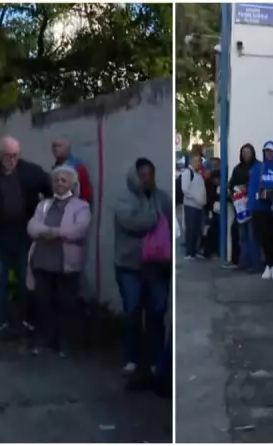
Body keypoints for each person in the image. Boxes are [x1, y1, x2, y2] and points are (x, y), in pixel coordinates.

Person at [0, 136, 52, 333]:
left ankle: (27, 318)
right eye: (8, 155)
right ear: (0, 155)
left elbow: (50, 189)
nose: (12, 159)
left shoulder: (30, 171)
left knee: (26, 280)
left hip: (23, 235)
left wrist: (44, 215)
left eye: (15, 155)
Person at [114, 158, 172, 386]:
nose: (147, 178)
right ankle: (133, 359)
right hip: (130, 266)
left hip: (157, 266)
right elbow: (133, 223)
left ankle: (156, 360)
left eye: (150, 174)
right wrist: (156, 217)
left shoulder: (162, 197)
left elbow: (169, 226)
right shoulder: (124, 199)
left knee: (157, 312)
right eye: (143, 174)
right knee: (133, 311)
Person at [26, 164, 89, 353]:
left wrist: (56, 233)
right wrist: (47, 232)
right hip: (43, 260)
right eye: (56, 180)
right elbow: (32, 226)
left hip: (66, 263)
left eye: (64, 180)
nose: (59, 184)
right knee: (43, 301)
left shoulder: (81, 206)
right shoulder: (44, 204)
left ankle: (65, 342)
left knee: (66, 303)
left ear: (72, 184)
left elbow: (79, 229)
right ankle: (45, 340)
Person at [247, 140, 273, 280]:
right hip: (260, 208)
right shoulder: (257, 169)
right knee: (262, 238)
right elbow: (252, 188)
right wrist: (250, 206)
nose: (269, 154)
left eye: (271, 152)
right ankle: (268, 265)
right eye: (266, 152)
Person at [228, 143, 261, 273]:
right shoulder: (237, 168)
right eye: (244, 152)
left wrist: (248, 188)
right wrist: (235, 190)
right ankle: (244, 262)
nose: (246, 154)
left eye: (248, 152)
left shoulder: (258, 166)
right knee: (242, 236)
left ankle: (255, 264)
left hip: (254, 206)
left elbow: (262, 183)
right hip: (241, 208)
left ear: (253, 153)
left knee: (253, 236)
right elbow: (230, 184)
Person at [180, 153, 206, 259]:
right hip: (191, 205)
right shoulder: (187, 173)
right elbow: (185, 189)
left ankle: (195, 251)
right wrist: (197, 198)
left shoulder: (198, 174)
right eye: (196, 161)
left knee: (197, 229)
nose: (199, 163)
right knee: (191, 229)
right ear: (192, 162)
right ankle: (189, 252)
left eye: (200, 161)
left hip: (199, 206)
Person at [52, 138, 93, 203]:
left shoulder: (77, 167)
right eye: (54, 146)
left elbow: (85, 192)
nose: (56, 149)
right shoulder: (56, 166)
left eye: (59, 146)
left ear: (67, 148)